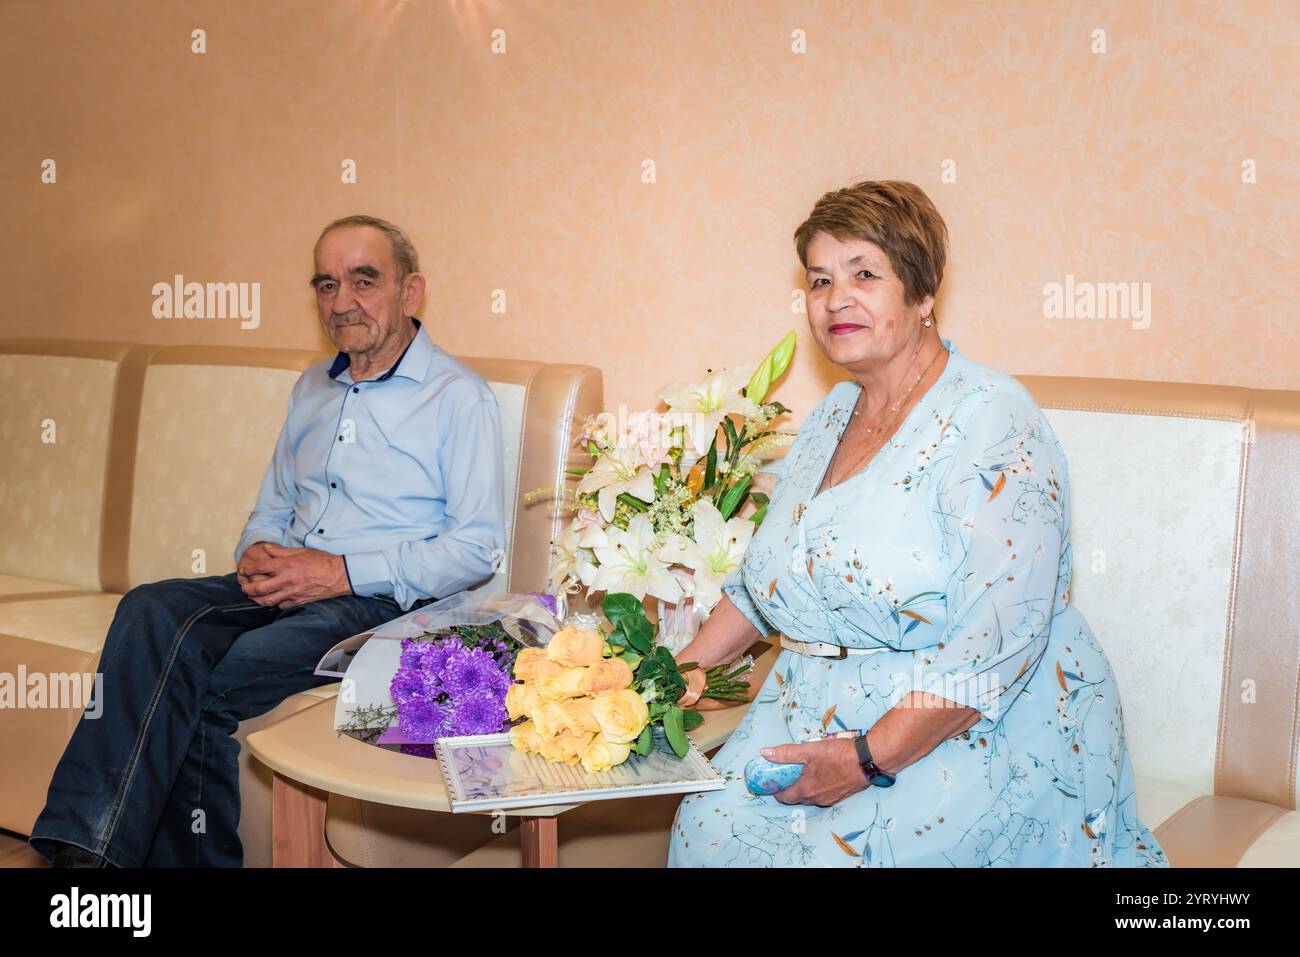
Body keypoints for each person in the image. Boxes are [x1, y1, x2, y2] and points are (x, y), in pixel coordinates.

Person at [668, 181, 1167, 867]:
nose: (836, 297)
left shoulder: (992, 417)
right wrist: (670, 673)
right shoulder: (827, 418)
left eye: (863, 274)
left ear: (924, 292)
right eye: (820, 279)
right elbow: (765, 584)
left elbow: (998, 640)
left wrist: (867, 758)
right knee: (705, 828)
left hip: (964, 731)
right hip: (805, 718)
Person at [29, 215, 507, 867]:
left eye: (363, 280)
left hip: (380, 604)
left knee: (207, 676)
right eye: (326, 284)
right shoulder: (311, 387)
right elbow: (272, 507)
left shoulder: (459, 398)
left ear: (411, 290)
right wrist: (257, 550)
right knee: (147, 607)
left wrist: (340, 570)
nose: (341, 302)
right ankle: (83, 851)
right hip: (288, 585)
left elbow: (475, 550)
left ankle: (103, 865)